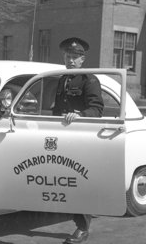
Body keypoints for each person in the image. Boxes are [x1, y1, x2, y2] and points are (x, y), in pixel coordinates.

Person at [52, 37, 104, 244]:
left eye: (75, 57)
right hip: (63, 136)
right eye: (68, 56)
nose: (71, 60)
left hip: (81, 136)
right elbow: (57, 108)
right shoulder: (62, 79)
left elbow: (97, 109)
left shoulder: (89, 80)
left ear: (83, 59)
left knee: (77, 181)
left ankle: (82, 228)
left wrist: (81, 115)